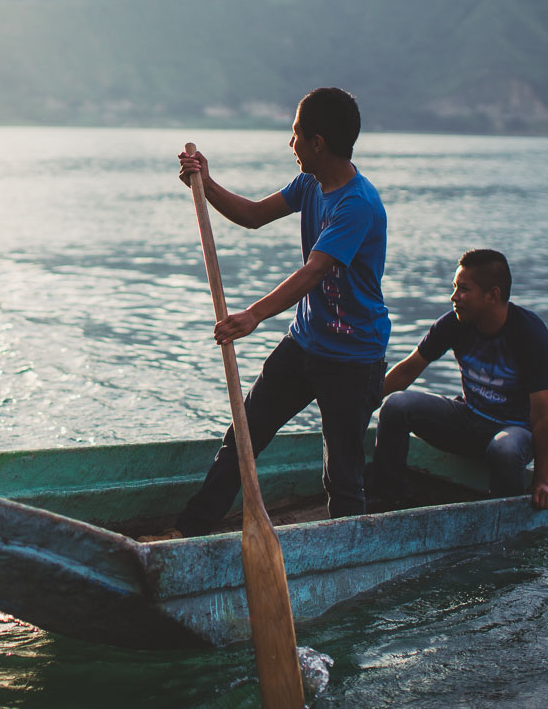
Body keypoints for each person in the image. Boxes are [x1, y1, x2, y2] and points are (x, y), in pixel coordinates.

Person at [155, 87, 390, 539]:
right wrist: (203, 183)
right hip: (304, 342)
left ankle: (346, 553)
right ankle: (189, 533)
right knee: (243, 438)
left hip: (354, 358)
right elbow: (253, 215)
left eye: (296, 134)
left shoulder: (357, 204)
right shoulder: (310, 184)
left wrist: (253, 316)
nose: (291, 144)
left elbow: (315, 272)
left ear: (317, 143)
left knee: (342, 474)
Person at [369, 249, 548, 510]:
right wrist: (362, 403)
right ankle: (387, 499)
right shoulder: (454, 323)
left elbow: (543, 414)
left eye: (464, 289)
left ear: (493, 295)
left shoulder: (529, 333)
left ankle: (503, 516)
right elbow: (406, 371)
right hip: (470, 418)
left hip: (514, 433)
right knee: (396, 406)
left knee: (504, 450)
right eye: (455, 287)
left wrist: (542, 480)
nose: (454, 297)